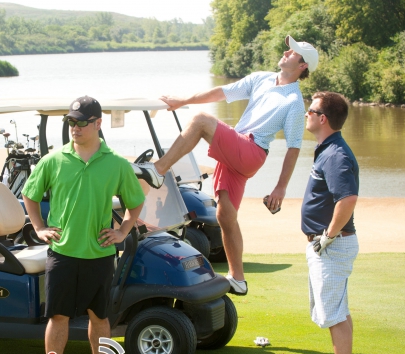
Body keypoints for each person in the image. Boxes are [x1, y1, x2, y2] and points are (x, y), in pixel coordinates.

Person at [133, 35, 319, 296]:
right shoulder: (261, 78)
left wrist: (280, 188)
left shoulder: (294, 102)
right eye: (288, 50)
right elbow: (221, 92)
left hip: (251, 151)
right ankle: (238, 279)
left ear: (303, 66)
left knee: (200, 120)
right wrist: (183, 99)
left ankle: (158, 169)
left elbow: (294, 147)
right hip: (237, 149)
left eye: (294, 54)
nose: (287, 53)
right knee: (225, 215)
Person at [21, 96, 145, 354]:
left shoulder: (116, 164)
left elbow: (136, 202)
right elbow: (30, 195)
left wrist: (123, 231)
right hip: (62, 253)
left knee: (99, 318)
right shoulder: (53, 160)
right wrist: (38, 227)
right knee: (58, 317)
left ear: (98, 124)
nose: (75, 127)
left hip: (99, 254)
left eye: (81, 122)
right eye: (71, 122)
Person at [300, 91, 360, 354]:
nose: (306, 114)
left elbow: (347, 199)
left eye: (311, 111)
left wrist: (327, 236)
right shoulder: (327, 149)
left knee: (334, 315)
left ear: (323, 118)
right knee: (338, 312)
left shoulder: (335, 154)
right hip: (329, 246)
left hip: (332, 247)